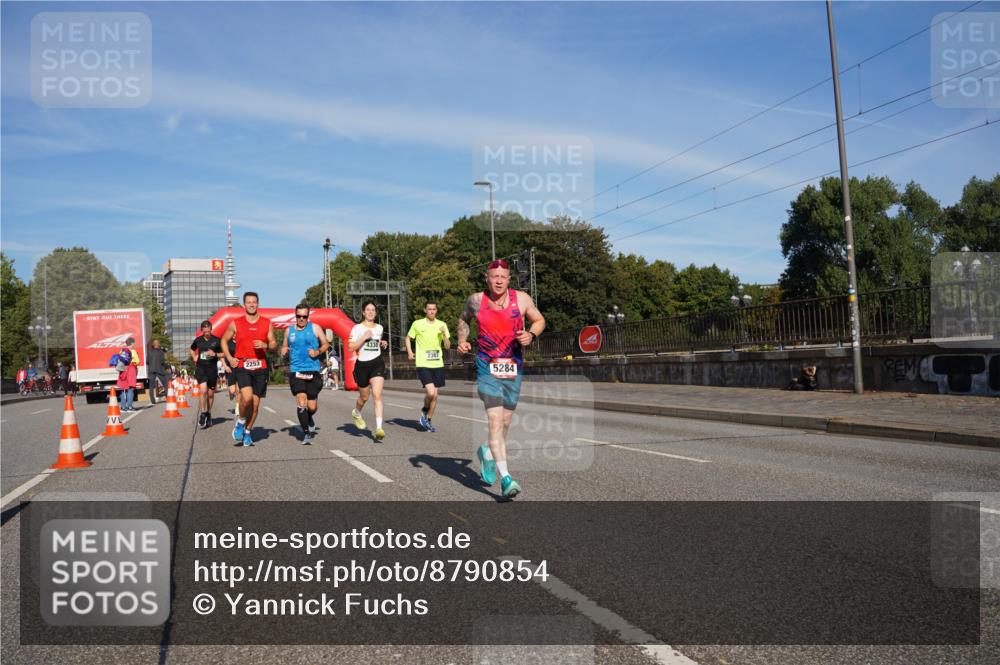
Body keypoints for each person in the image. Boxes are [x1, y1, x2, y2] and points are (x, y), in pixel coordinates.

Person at [457, 259, 545, 500]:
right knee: (495, 421)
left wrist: (531, 334)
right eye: (494, 276)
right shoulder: (476, 301)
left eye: (503, 277)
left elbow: (539, 320)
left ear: (508, 279)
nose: (498, 280)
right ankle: (506, 478)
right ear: (486, 277)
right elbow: (464, 319)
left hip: (512, 365)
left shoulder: (522, 299)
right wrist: (462, 340)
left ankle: (487, 452)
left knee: (505, 423)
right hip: (486, 365)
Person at [222, 292, 276, 447]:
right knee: (246, 398)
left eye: (254, 302)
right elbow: (223, 341)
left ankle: (247, 432)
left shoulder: (267, 323)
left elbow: (273, 343)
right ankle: (240, 422)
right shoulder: (235, 323)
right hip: (242, 366)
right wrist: (230, 358)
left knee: (256, 404)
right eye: (249, 302)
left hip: (261, 366)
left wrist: (265, 345)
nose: (252, 304)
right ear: (244, 305)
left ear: (258, 304)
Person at [280, 303, 330, 445]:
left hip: (313, 370)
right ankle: (306, 433)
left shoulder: (315, 328)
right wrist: (283, 349)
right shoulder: (289, 331)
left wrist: (317, 352)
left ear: (308, 316)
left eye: (304, 316)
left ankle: (308, 417)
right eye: (299, 316)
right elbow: (284, 345)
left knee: (312, 407)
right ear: (295, 315)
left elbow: (326, 344)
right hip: (296, 370)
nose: (301, 319)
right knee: (301, 401)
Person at [406, 301, 450, 432]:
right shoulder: (417, 324)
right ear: (425, 310)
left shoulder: (442, 325)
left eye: (434, 309)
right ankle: (424, 411)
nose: (431, 311)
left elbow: (447, 346)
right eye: (429, 309)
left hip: (438, 363)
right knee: (430, 392)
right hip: (423, 363)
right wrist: (409, 351)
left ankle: (428, 420)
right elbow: (408, 338)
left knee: (435, 396)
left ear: (436, 311)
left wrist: (443, 335)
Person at [348, 300, 389, 441]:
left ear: (375, 313)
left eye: (373, 310)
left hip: (377, 363)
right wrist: (363, 338)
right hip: (362, 366)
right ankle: (357, 412)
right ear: (363, 312)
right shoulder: (357, 328)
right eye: (368, 310)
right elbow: (351, 348)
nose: (371, 312)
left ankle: (379, 428)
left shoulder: (379, 328)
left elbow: (376, 342)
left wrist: (382, 343)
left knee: (377, 395)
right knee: (364, 397)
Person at [190, 320, 223, 429]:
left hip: (212, 369)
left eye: (208, 331)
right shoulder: (198, 340)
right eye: (205, 332)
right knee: (203, 390)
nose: (207, 334)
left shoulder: (217, 341)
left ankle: (208, 413)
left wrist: (215, 354)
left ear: (211, 329)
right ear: (202, 331)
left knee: (210, 394)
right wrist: (194, 356)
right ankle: (203, 413)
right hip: (201, 368)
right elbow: (191, 349)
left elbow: (224, 353)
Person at [117, 337, 139, 412]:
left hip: (123, 371)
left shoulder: (122, 351)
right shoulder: (133, 351)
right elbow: (137, 361)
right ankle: (130, 407)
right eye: (134, 343)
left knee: (123, 389)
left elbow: (119, 360)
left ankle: (123, 407)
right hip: (131, 370)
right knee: (130, 388)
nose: (134, 344)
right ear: (132, 343)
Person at [147, 339, 167, 404]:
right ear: (158, 345)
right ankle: (167, 397)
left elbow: (147, 361)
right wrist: (166, 367)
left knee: (151, 386)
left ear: (153, 345)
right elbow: (162, 361)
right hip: (159, 370)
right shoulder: (161, 352)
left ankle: (152, 400)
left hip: (151, 370)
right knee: (165, 384)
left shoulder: (149, 351)